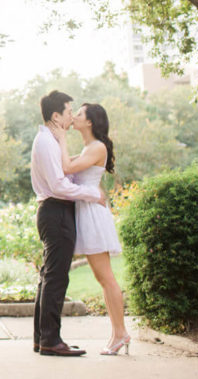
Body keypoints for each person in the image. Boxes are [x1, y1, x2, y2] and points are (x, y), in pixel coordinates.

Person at [30, 90, 106, 357]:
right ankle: (51, 340)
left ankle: (43, 339)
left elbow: (63, 176)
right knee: (55, 278)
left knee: (48, 277)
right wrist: (92, 194)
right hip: (56, 211)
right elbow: (59, 185)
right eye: (69, 111)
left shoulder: (51, 140)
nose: (72, 116)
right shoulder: (47, 142)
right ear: (56, 115)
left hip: (54, 211)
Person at [61, 102, 131, 355]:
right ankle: (117, 333)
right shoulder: (89, 147)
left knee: (106, 278)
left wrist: (59, 136)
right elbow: (67, 164)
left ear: (89, 122)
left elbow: (67, 168)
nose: (74, 117)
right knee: (103, 278)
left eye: (78, 114)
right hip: (87, 211)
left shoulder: (97, 147)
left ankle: (121, 333)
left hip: (92, 216)